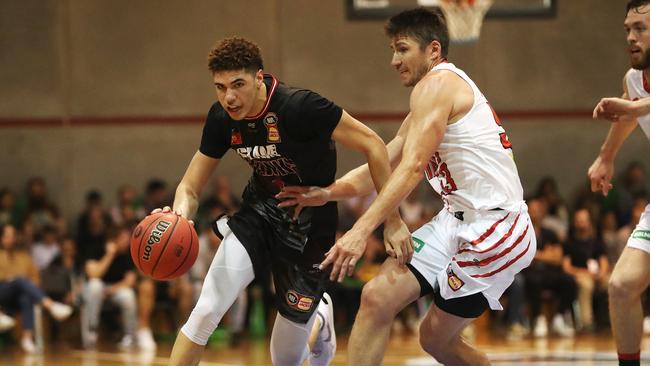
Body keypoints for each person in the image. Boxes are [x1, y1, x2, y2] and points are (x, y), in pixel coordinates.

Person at [278, 8, 536, 365]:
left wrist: (360, 229)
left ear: (433, 50)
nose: (394, 60)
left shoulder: (439, 85)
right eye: (392, 50)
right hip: (454, 221)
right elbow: (383, 164)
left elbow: (414, 167)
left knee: (434, 339)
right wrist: (327, 192)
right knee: (376, 297)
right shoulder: (427, 101)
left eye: (402, 49)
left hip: (496, 228)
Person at [164, 36, 394, 366]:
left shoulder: (301, 107)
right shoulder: (222, 119)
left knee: (284, 358)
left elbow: (374, 144)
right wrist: (177, 217)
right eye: (220, 87)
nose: (229, 97)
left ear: (260, 78)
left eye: (238, 84)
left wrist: (393, 220)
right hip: (258, 213)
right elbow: (189, 186)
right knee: (206, 311)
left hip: (310, 225)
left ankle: (318, 318)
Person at [589, 1, 650, 364]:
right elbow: (628, 113)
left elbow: (634, 109)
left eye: (641, 28)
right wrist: (606, 156)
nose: (630, 36)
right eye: (628, 28)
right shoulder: (633, 79)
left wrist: (636, 108)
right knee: (622, 285)